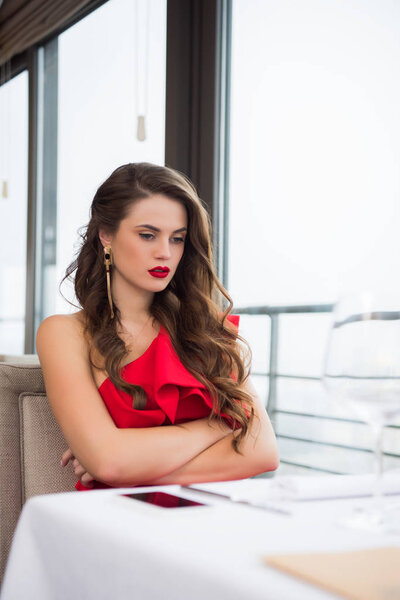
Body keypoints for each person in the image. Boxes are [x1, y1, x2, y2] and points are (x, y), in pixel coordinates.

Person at [36, 162, 279, 491]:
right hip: (113, 521)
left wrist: (135, 469)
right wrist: (218, 427)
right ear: (106, 235)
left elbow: (263, 453)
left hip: (211, 518)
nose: (165, 253)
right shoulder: (63, 333)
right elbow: (109, 461)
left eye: (177, 239)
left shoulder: (210, 330)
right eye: (147, 235)